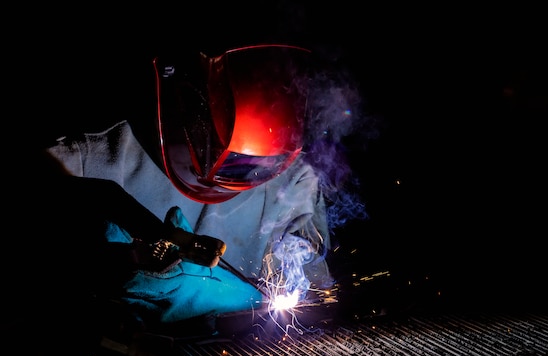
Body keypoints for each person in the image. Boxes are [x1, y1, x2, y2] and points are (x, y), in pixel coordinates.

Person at [36, 44, 364, 339]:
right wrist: (110, 266)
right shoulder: (92, 156)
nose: (245, 176)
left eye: (262, 167)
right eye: (230, 161)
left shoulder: (294, 180)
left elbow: (311, 296)